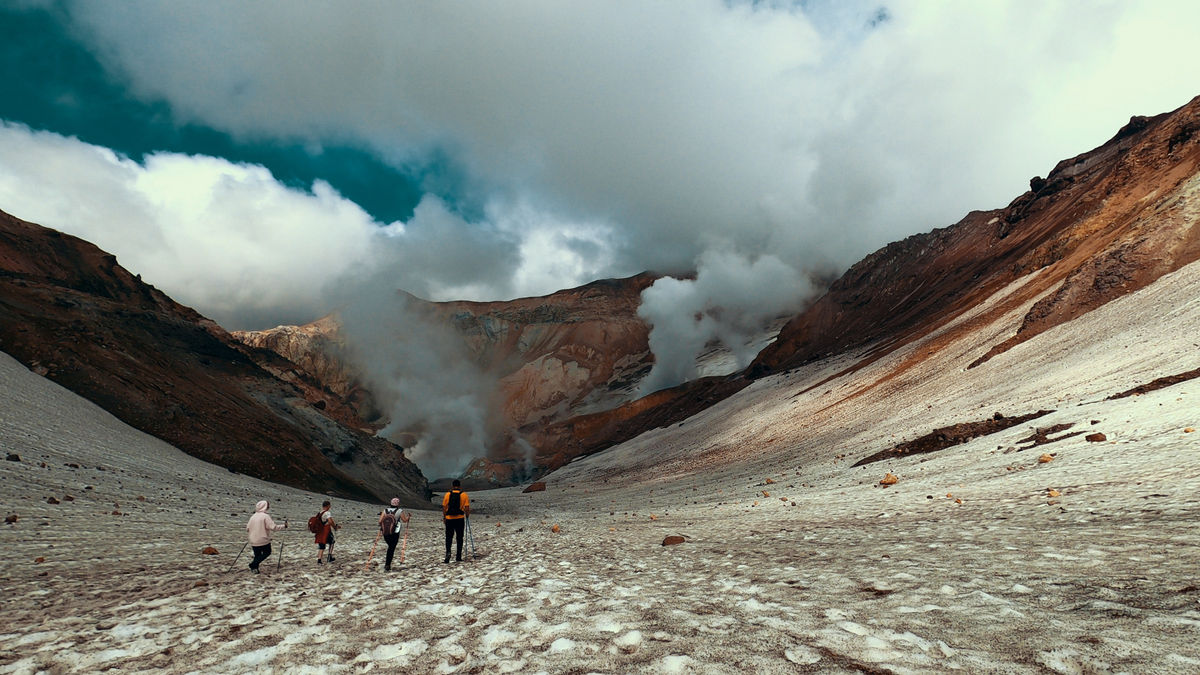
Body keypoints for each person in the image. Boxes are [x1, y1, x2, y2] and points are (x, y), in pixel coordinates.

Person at [245, 500, 286, 574]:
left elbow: (247, 528)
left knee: (257, 555)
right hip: (263, 540)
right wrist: (284, 526)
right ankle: (253, 565)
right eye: (267, 506)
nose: (268, 507)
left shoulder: (253, 516)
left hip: (253, 540)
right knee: (267, 552)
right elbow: (273, 527)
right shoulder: (265, 516)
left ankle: (255, 568)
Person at [379, 497, 411, 571]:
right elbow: (405, 520)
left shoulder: (385, 510)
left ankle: (387, 564)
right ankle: (387, 565)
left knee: (390, 547)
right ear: (398, 504)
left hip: (385, 531)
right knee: (391, 548)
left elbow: (380, 521)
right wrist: (409, 517)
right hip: (395, 532)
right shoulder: (399, 511)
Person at [442, 480, 470, 563]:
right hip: (460, 519)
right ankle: (458, 556)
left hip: (449, 519)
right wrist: (467, 515)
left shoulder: (447, 494)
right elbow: (467, 507)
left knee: (449, 537)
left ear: (452, 486)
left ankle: (448, 553)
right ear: (460, 486)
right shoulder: (464, 495)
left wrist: (444, 517)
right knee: (459, 538)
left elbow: (444, 507)